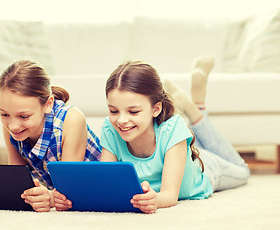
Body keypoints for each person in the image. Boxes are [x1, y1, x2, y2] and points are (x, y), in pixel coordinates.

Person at [53, 56, 250, 214]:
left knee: (243, 170)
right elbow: (106, 187)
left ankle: (196, 107)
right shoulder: (110, 128)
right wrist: (71, 199)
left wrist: (154, 199)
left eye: (133, 111)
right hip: (181, 151)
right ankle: (193, 106)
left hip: (207, 169)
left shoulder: (172, 128)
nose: (121, 120)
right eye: (114, 111)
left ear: (156, 109)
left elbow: (170, 196)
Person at [0, 60, 102, 212]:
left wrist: (50, 198)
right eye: (4, 114)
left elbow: (69, 190)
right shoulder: (13, 126)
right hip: (59, 191)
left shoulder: (71, 119)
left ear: (48, 104)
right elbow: (17, 181)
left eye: (24, 116)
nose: (13, 126)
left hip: (96, 190)